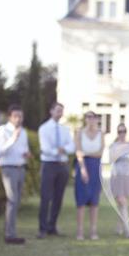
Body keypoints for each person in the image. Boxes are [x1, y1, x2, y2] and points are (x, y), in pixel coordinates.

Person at [37, 102, 75, 238]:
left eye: (61, 111)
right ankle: (42, 229)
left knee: (58, 198)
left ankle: (52, 226)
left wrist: (62, 149)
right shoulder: (44, 128)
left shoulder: (65, 129)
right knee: (45, 197)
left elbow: (72, 147)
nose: (60, 113)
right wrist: (59, 151)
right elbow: (45, 149)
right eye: (58, 110)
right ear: (51, 111)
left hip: (62, 166)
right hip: (49, 165)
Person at [0, 104, 29, 244]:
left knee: (16, 201)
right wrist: (13, 139)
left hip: (21, 167)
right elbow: (0, 151)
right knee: (12, 200)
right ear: (9, 117)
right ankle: (9, 234)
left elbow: (24, 148)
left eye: (20, 116)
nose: (18, 119)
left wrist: (26, 154)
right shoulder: (2, 130)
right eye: (15, 116)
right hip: (8, 168)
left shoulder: (23, 132)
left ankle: (11, 230)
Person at [74, 111, 104, 240]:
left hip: (96, 167)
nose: (91, 119)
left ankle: (93, 231)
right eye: (88, 117)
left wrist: (86, 153)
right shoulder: (79, 133)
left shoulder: (101, 134)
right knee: (81, 201)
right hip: (83, 166)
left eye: (93, 117)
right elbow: (78, 153)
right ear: (85, 119)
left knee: (94, 201)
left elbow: (100, 153)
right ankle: (80, 231)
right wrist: (83, 169)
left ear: (97, 119)